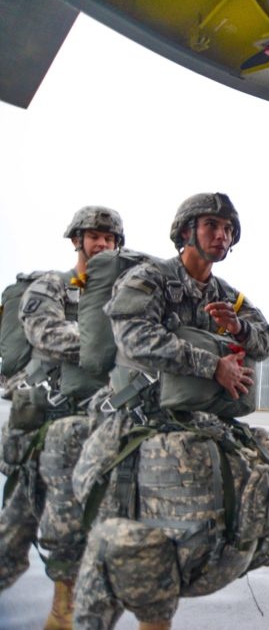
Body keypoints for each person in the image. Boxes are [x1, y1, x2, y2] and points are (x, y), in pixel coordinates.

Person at [72, 193, 269, 630]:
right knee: (105, 522)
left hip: (198, 418)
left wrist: (239, 328)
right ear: (186, 231)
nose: (222, 235)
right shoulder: (148, 279)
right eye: (211, 225)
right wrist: (212, 366)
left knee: (257, 462)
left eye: (228, 229)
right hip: (137, 414)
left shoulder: (228, 296)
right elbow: (135, 338)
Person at [0, 206, 123, 630]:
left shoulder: (123, 295)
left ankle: (68, 609)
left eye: (109, 238)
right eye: (94, 236)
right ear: (77, 240)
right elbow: (46, 334)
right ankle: (62, 611)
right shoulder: (51, 285)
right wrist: (111, 348)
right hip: (51, 416)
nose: (102, 243)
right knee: (18, 532)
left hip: (102, 419)